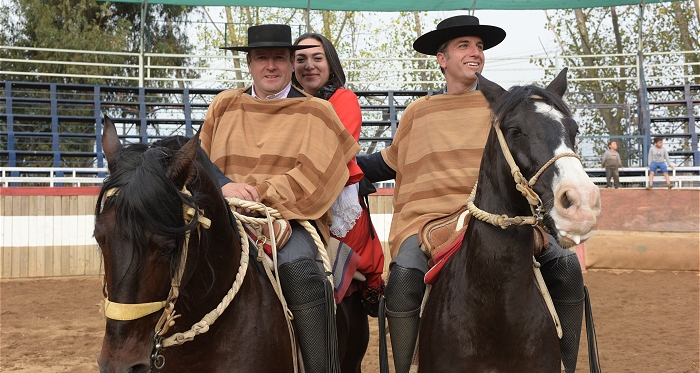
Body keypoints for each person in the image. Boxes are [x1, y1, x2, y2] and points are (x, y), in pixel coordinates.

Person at [357, 15, 586, 373]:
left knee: (568, 267)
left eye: (479, 46)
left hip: (502, 218)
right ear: (442, 58)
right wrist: (344, 169)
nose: (475, 52)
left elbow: (538, 157)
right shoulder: (420, 112)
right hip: (430, 221)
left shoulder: (508, 109)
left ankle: (567, 365)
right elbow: (391, 161)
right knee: (402, 278)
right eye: (464, 45)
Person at [200, 24, 361, 373]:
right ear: (249, 63)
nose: (270, 66)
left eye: (278, 58)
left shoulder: (316, 112)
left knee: (300, 269)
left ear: (291, 64)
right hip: (224, 212)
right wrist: (225, 185)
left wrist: (260, 196)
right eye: (262, 58)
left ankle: (323, 367)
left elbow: (315, 177)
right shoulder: (224, 105)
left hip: (291, 218)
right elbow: (199, 158)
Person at [292, 33, 385, 312]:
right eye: (301, 59)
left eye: (317, 58)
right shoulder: (284, 104)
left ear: (330, 63)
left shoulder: (344, 99)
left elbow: (333, 153)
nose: (309, 65)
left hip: (331, 195)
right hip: (292, 191)